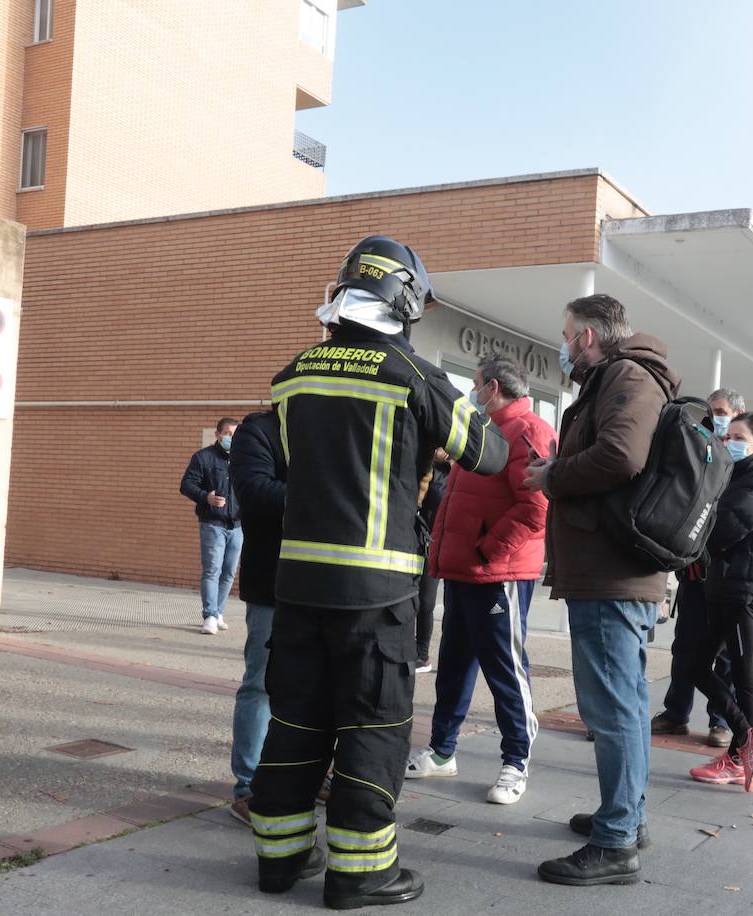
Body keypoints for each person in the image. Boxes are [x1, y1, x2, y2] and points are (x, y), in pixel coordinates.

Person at [249, 236, 507, 910]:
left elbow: (295, 462)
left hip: (297, 586)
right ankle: (360, 873)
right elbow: (488, 454)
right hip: (376, 592)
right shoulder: (414, 376)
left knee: (296, 721)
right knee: (372, 727)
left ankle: (279, 859)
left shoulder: (292, 374)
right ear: (407, 301)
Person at [525, 293, 677, 887]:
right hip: (610, 570)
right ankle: (626, 817)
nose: (564, 345)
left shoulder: (627, 376)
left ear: (586, 336)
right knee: (624, 706)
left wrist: (552, 476)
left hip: (611, 574)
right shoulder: (623, 378)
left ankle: (616, 842)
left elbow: (620, 455)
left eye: (567, 334)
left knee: (611, 709)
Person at [408, 352, 556, 806]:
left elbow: (536, 508)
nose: (471, 390)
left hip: (497, 573)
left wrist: (486, 550)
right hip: (464, 570)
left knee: (505, 668)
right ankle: (442, 751)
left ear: (493, 387)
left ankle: (516, 761)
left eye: (475, 383)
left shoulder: (529, 431)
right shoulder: (483, 429)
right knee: (453, 665)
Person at [685, 412, 753, 792]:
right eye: (729, 437)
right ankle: (747, 738)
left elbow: (722, 528)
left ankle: (740, 756)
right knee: (695, 665)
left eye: (740, 438)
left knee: (743, 671)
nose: (731, 443)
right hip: (725, 586)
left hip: (743, 590)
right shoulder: (738, 475)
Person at [653, 387, 745, 748]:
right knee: (685, 646)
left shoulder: (749, 459)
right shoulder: (699, 445)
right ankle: (676, 713)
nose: (716, 417)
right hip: (694, 571)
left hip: (727, 576)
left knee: (724, 654)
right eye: (712, 410)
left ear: (737, 414)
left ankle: (720, 721)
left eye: (722, 411)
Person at [226, 409, 287, 825]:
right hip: (271, 583)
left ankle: (307, 775)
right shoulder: (259, 430)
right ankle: (249, 786)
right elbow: (256, 493)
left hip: (324, 584)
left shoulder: (330, 427)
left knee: (313, 689)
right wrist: (327, 489)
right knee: (261, 684)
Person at [179, 417, 243, 635]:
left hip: (237, 525)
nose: (231, 438)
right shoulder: (203, 457)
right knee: (212, 570)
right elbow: (186, 485)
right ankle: (209, 616)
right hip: (212, 523)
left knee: (229, 572)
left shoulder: (243, 459)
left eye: (234, 434)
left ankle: (219, 611)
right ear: (217, 435)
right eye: (227, 433)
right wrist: (206, 497)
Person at [413, 450, 450, 672]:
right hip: (423, 540)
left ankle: (424, 654)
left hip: (444, 544)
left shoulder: (459, 471)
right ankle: (418, 653)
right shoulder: (428, 468)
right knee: (419, 600)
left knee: (430, 602)